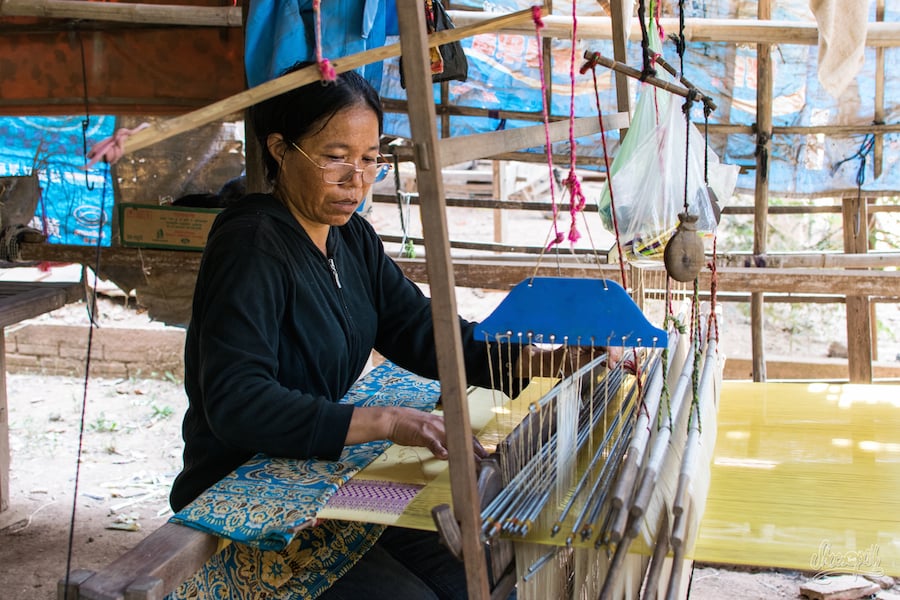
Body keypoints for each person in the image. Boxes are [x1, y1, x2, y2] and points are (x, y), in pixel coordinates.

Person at [170, 61, 601, 599]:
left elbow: (422, 332)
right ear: (279, 149)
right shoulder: (251, 244)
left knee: (480, 576)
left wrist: (535, 363)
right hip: (246, 489)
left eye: (371, 160)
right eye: (335, 159)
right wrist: (390, 421)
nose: (357, 180)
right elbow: (238, 403)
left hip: (320, 476)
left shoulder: (350, 240)